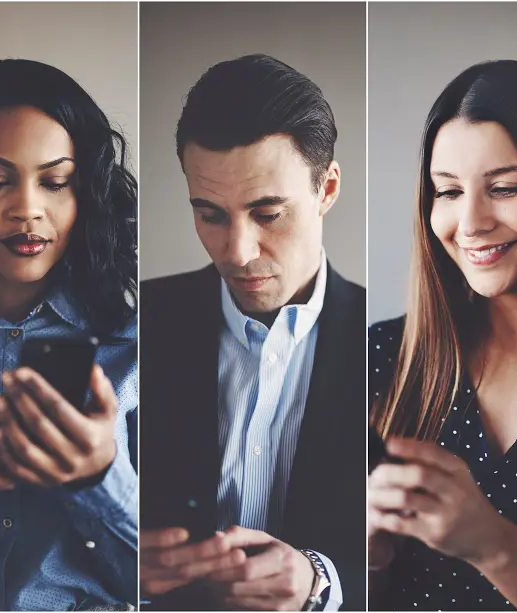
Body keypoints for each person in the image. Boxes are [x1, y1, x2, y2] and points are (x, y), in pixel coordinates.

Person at [0, 58, 139, 611]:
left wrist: (101, 478)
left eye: (56, 182)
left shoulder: (139, 351)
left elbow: (171, 584)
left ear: (85, 193)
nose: (28, 211)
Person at [366, 60, 517, 611]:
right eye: (447, 192)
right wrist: (367, 554)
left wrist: (493, 545)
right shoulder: (380, 360)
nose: (470, 222)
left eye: (506, 188)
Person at [140, 54, 365, 611]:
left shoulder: (401, 344)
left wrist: (322, 585)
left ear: (327, 188)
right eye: (210, 215)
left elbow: (429, 569)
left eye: (268, 214)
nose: (237, 253)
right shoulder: (134, 322)